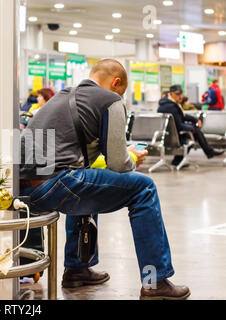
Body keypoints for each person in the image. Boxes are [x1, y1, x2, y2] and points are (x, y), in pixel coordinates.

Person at [20, 58, 190, 300]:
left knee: (91, 182)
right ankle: (156, 282)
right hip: (56, 184)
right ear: (116, 82)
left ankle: (77, 269)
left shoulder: (63, 95)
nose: (120, 96)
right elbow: (119, 164)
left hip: (27, 192)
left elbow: (77, 156)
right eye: (121, 91)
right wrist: (132, 157)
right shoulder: (110, 99)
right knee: (144, 188)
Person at [158, 84, 224, 166]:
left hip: (169, 135)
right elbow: (179, 126)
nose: (180, 96)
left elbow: (182, 116)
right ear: (171, 94)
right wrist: (192, 127)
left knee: (194, 132)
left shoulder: (167, 104)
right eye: (177, 94)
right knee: (193, 133)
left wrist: (195, 120)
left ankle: (178, 161)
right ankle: (209, 152)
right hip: (174, 136)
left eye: (181, 94)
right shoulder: (171, 106)